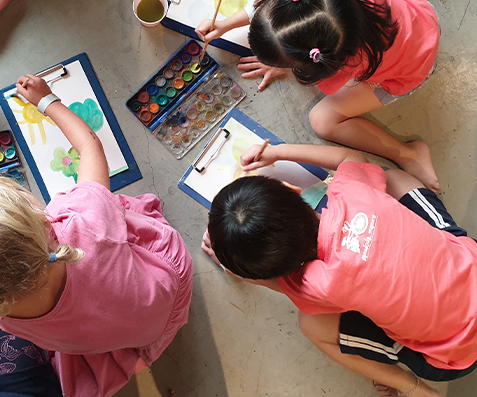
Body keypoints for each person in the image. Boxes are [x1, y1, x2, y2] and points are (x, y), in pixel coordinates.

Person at [0, 73, 194, 397]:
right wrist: (47, 100)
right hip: (164, 297)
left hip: (121, 338)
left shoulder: (3, 314)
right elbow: (89, 144)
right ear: (41, 222)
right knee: (119, 210)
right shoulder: (86, 224)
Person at [196, 0, 461, 192]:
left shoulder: (343, 63)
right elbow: (271, 11)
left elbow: (322, 74)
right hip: (418, 17)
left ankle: (406, 153)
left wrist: (284, 64)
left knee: (322, 120)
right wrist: (224, 25)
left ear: (312, 62)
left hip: (414, 69)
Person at [202, 142, 477, 397]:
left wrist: (234, 266)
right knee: (392, 178)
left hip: (455, 358)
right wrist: (278, 151)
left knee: (311, 325)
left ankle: (413, 388)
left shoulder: (316, 283)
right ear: (296, 191)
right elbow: (351, 157)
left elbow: (273, 283)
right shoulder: (353, 191)